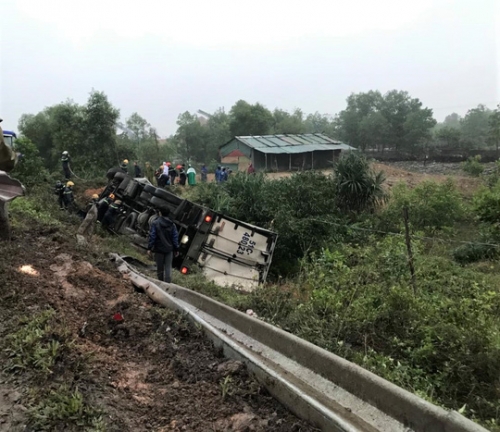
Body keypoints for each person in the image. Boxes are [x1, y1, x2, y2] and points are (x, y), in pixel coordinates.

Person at [147, 208, 179, 283]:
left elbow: (153, 236)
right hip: (169, 249)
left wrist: (149, 248)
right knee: (168, 267)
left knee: (160, 267)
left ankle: (160, 282)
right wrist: (176, 249)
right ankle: (167, 283)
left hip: (159, 249)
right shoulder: (172, 225)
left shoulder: (155, 223)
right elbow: (175, 238)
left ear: (160, 213)